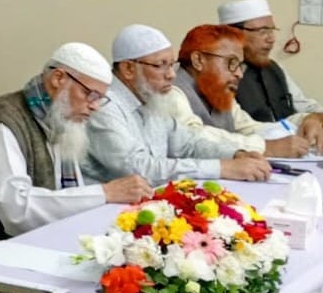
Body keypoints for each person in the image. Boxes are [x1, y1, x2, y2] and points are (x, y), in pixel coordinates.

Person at [0, 43, 150, 238]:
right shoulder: (3, 121)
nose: (95, 106)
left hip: (51, 235)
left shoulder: (59, 117)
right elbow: (16, 210)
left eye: (100, 98)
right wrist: (105, 193)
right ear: (58, 78)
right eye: (90, 94)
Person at [85, 24, 271, 186]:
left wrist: (234, 154)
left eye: (171, 65)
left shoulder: (151, 99)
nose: (172, 75)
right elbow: (139, 169)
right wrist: (221, 168)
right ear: (128, 69)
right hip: (103, 210)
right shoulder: (103, 107)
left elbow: (188, 144)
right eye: (160, 65)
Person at [174, 24, 318, 155]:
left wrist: (306, 120)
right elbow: (195, 137)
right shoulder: (172, 91)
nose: (239, 74)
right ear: (198, 60)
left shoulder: (218, 92)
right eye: (231, 63)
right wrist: (265, 147)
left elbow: (251, 129)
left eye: (239, 65)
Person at [219, 0, 323, 127]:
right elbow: (240, 127)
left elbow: (303, 105)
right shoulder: (215, 74)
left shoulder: (274, 68)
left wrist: (318, 116)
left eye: (271, 30)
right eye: (262, 31)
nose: (271, 39)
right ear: (233, 34)